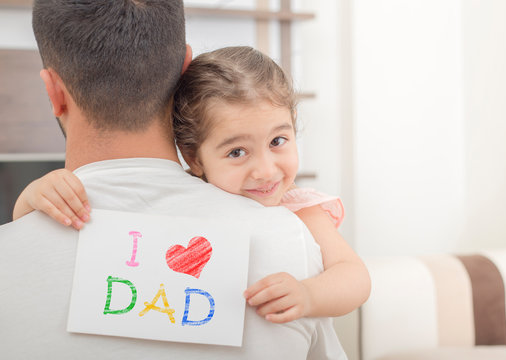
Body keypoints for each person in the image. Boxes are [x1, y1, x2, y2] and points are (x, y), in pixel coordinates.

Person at [0, 1, 347, 359]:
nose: (265, 171)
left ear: (53, 92)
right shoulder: (295, 242)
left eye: (278, 141)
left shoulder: (12, 252)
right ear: (183, 70)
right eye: (238, 152)